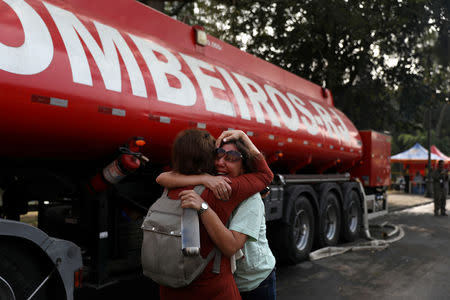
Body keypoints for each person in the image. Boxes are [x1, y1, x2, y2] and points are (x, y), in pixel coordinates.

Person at [157, 130, 276, 300]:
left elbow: (265, 176)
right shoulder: (211, 185)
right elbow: (162, 177)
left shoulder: (247, 196)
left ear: (244, 165)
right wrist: (205, 178)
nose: (221, 162)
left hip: (253, 280)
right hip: (230, 278)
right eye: (218, 155)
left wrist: (243, 136)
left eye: (232, 157)